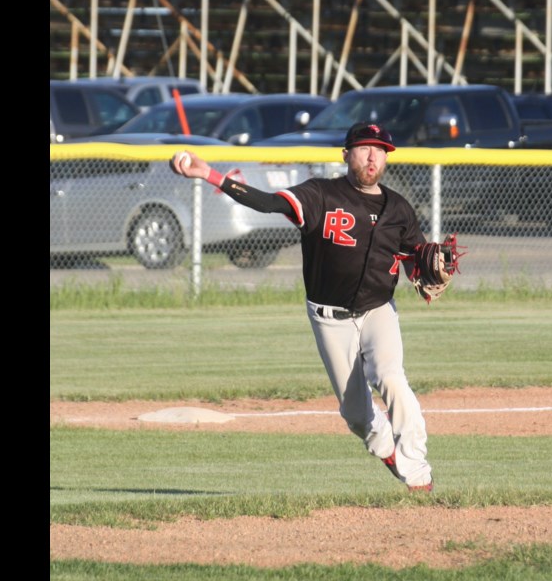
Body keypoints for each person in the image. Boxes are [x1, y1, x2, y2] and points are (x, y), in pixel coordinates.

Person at [171, 122, 434, 492]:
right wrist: (209, 174)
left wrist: (425, 272)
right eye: (363, 148)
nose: (372, 156)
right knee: (356, 415)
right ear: (346, 154)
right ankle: (386, 448)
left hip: (378, 310)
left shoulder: (399, 209)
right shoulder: (319, 195)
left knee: (390, 377)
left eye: (380, 149)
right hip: (329, 318)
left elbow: (414, 259)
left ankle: (419, 471)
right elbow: (267, 202)